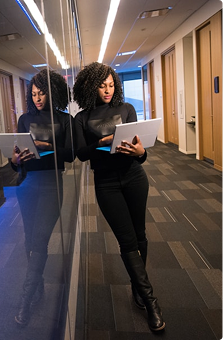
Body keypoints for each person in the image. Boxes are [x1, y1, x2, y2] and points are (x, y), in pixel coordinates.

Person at [72, 62, 165, 332]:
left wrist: (141, 153)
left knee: (140, 235)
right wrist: (100, 143)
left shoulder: (127, 109)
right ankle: (150, 302)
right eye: (102, 85)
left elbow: (141, 150)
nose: (108, 90)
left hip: (134, 177)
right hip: (106, 183)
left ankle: (138, 287)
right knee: (126, 241)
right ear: (91, 86)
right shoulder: (82, 118)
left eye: (112, 85)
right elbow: (80, 153)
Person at [10, 69, 74, 326]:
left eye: (42, 92)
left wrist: (46, 147)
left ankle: (25, 300)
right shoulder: (24, 119)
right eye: (34, 94)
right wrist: (15, 160)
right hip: (28, 185)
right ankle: (38, 286)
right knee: (29, 240)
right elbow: (16, 161)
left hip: (51, 186)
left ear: (52, 91)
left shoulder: (64, 119)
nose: (37, 98)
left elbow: (70, 155)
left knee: (39, 239)